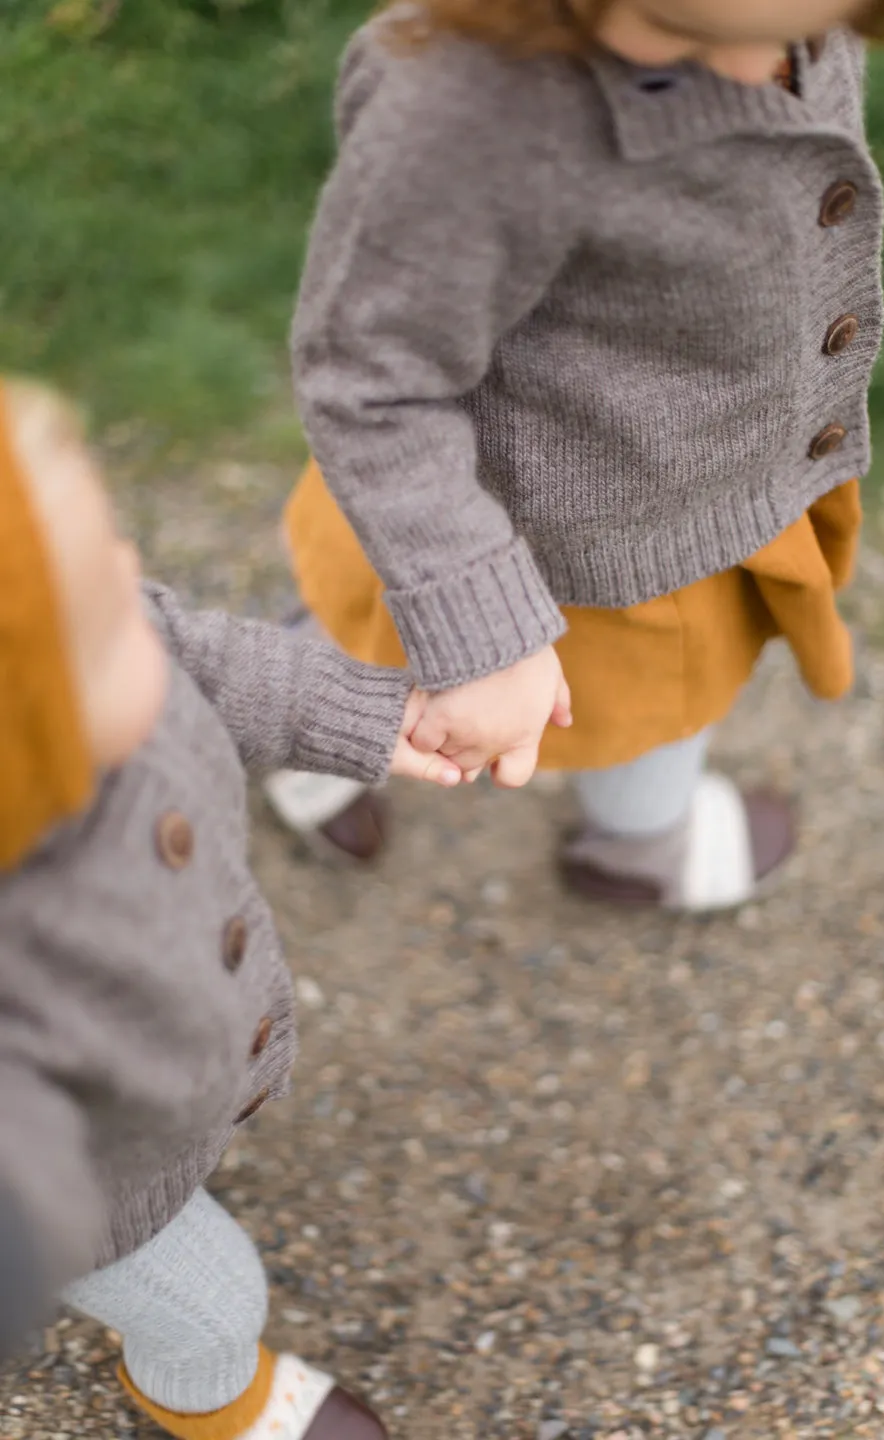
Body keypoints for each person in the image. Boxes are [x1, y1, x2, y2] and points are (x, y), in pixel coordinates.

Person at [266, 0, 884, 911]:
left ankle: (624, 843)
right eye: (681, 43)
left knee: (636, 692)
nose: (752, 77)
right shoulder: (463, 109)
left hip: (686, 498)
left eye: (805, 36)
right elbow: (369, 380)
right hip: (502, 527)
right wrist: (481, 628)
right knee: (401, 639)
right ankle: (317, 754)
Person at [0, 378, 462, 1438]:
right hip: (108, 1196)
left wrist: (364, 716)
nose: (136, 577)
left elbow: (208, 652)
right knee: (212, 1300)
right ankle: (215, 1399)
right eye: (103, 610)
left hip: (177, 1100)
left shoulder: (133, 656)